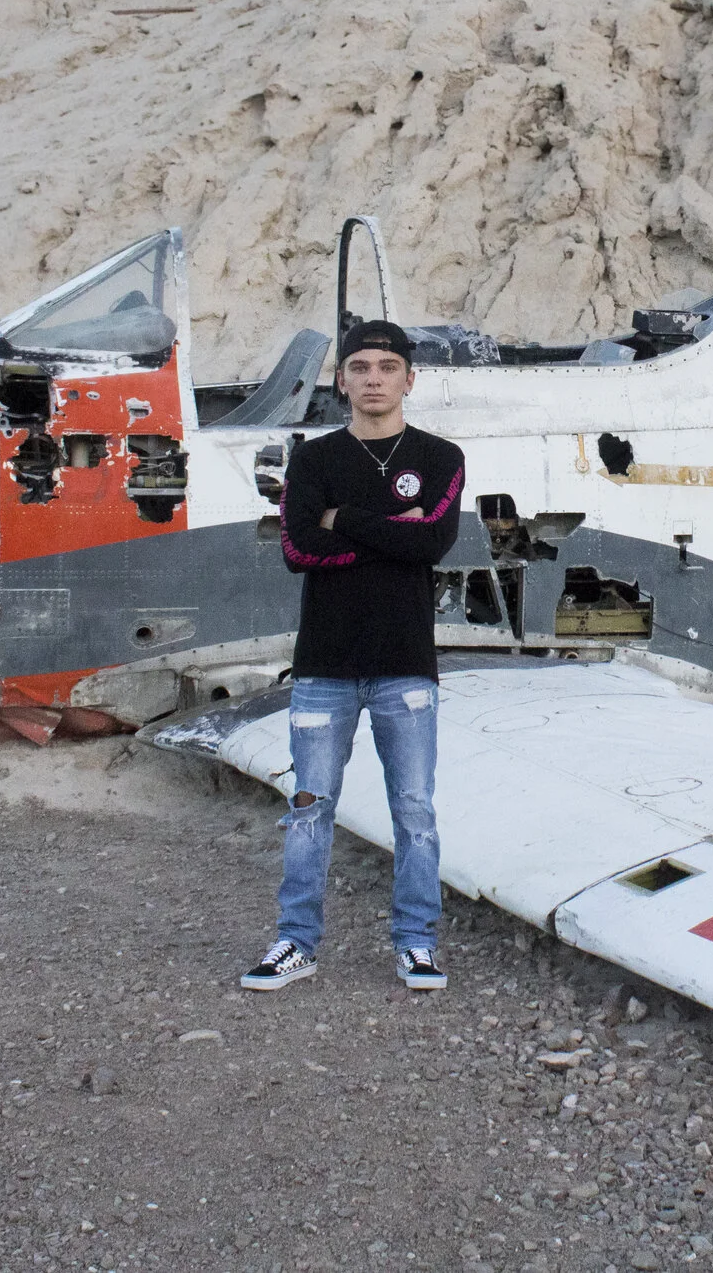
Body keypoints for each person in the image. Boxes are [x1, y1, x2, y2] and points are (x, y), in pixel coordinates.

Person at [243, 320, 465, 993]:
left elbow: (432, 545)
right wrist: (391, 534)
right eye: (360, 367)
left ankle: (417, 944)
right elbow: (297, 551)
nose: (374, 379)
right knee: (309, 808)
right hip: (324, 668)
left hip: (405, 666)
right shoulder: (312, 460)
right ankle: (296, 942)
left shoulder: (440, 457)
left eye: (387, 367)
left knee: (415, 812)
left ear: (409, 379)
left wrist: (341, 519)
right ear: (341, 380)